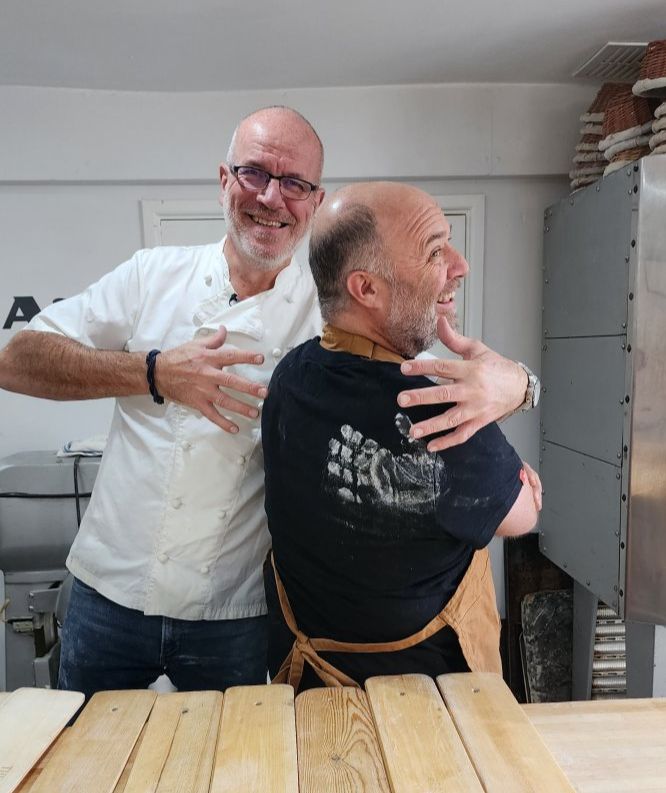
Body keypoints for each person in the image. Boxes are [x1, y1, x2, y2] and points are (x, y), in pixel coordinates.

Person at [0, 107, 536, 697]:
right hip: (109, 592)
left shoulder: (329, 312)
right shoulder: (152, 276)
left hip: (234, 611)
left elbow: (427, 361)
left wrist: (518, 384)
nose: (271, 198)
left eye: (295, 184)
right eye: (253, 173)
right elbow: (15, 359)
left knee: (234, 750)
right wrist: (153, 371)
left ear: (315, 200)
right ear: (224, 179)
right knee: (90, 744)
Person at [262, 181, 542, 691]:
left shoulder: (290, 378)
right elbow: (524, 513)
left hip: (310, 692)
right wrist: (515, 387)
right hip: (429, 703)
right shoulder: (436, 414)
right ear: (366, 288)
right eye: (435, 252)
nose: (460, 265)